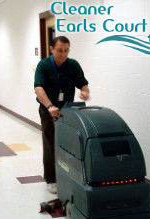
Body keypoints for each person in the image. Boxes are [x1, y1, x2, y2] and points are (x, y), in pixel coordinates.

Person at [34, 36, 90, 194]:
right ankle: (51, 179)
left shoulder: (73, 65)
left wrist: (85, 92)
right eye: (59, 50)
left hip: (67, 110)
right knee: (50, 144)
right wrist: (50, 106)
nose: (63, 54)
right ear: (51, 49)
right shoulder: (44, 65)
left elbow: (83, 84)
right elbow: (38, 88)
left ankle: (67, 174)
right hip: (48, 110)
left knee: (67, 143)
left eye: (66, 50)